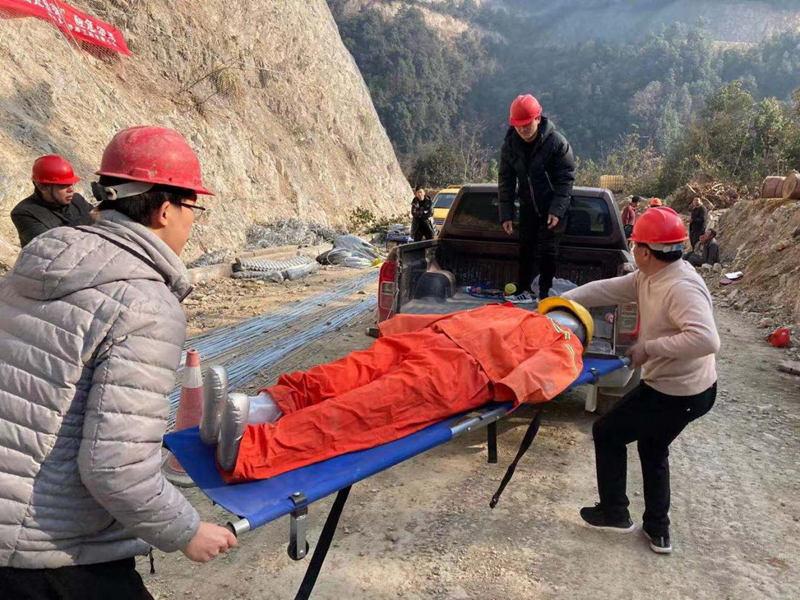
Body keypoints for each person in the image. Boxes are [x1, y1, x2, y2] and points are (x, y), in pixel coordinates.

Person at [0, 126, 237, 599]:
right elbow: (115, 466)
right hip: (51, 550)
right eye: (193, 208)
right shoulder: (144, 304)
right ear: (166, 210)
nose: (191, 222)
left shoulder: (30, 271)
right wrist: (187, 531)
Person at [199, 300, 594, 482]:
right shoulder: (553, 337)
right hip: (452, 364)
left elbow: (453, 318)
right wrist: (506, 391)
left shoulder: (526, 320)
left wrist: (402, 326)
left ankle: (254, 427)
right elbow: (540, 382)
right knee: (354, 397)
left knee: (352, 388)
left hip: (444, 352)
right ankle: (252, 428)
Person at [562, 206, 719, 555]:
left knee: (608, 432)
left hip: (680, 393)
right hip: (681, 389)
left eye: (635, 245)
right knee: (652, 446)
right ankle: (657, 530)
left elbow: (707, 340)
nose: (633, 250)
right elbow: (606, 290)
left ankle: (615, 512)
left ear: (646, 251)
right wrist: (562, 301)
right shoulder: (650, 275)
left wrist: (649, 348)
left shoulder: (681, 286)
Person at [498, 94, 575, 303]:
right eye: (518, 125)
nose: (522, 129)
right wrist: (506, 214)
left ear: (538, 119)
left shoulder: (557, 143)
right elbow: (506, 181)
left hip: (553, 206)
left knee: (549, 250)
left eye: (527, 124)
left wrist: (557, 210)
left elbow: (566, 180)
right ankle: (524, 290)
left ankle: (544, 294)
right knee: (526, 248)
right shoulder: (510, 146)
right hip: (528, 207)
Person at [10, 154, 95, 248]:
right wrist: (89, 219)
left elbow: (101, 223)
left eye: (71, 184)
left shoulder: (77, 200)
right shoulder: (24, 212)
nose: (71, 190)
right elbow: (51, 246)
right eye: (63, 185)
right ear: (42, 188)